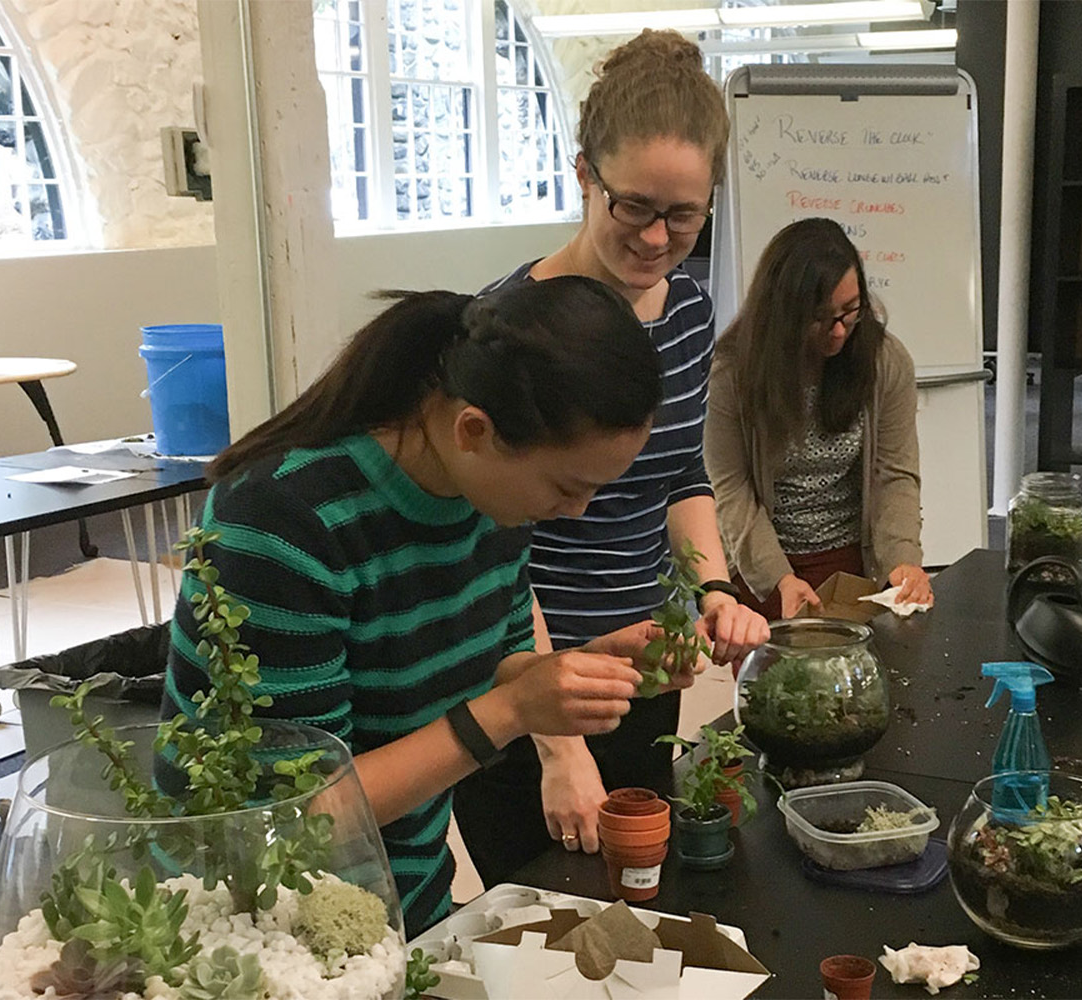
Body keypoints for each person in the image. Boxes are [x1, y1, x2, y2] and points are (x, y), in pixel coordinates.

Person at [162, 277, 667, 938]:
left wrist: (580, 675)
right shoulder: (284, 517)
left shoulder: (492, 499)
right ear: (474, 430)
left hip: (400, 904)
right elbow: (304, 815)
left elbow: (500, 662)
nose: (577, 512)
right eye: (568, 486)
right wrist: (510, 712)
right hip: (250, 928)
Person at [453, 29, 770, 886]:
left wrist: (710, 590)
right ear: (584, 171)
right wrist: (557, 746)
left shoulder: (690, 314)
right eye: (634, 206)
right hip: (526, 680)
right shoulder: (511, 329)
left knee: (638, 905)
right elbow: (489, 557)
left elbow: (679, 474)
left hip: (642, 669)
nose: (659, 237)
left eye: (686, 215)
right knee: (539, 916)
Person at [705, 217, 933, 621]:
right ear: (782, 314)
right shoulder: (733, 375)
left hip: (851, 562)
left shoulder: (884, 360)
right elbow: (732, 492)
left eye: (850, 311)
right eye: (820, 318)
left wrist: (903, 559)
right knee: (779, 679)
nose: (839, 332)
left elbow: (894, 475)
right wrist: (779, 578)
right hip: (763, 562)